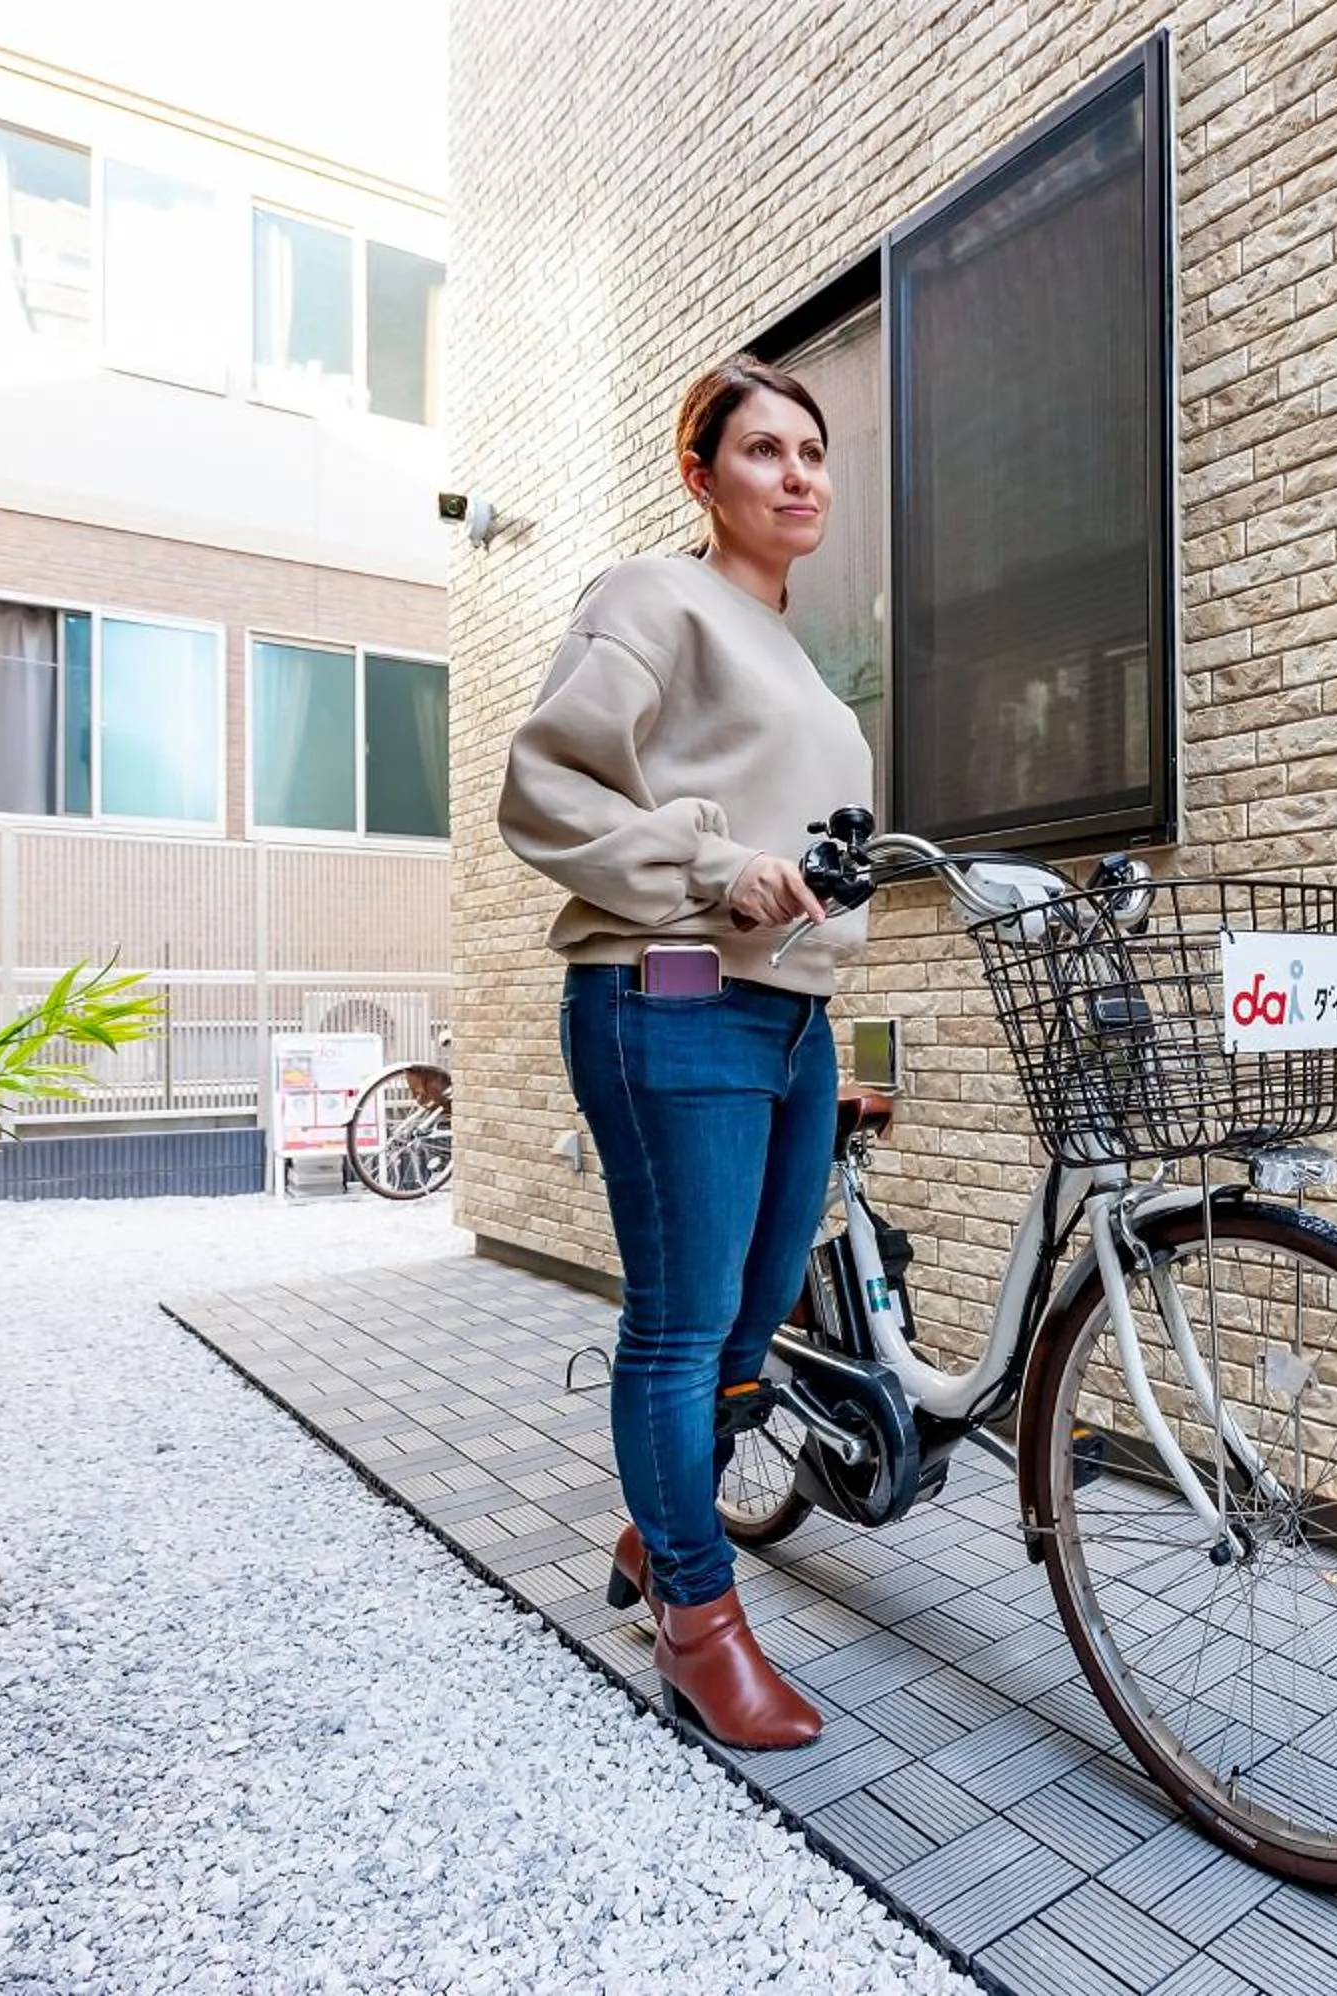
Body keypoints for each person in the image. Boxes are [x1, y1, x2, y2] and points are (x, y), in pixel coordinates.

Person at [497, 354, 867, 1749]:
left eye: (813, 453)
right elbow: (543, 785)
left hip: (789, 1014)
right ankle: (701, 1628)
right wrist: (713, 867)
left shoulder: (803, 667)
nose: (797, 474)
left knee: (757, 1305)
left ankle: (660, 1527)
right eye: (764, 450)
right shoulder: (651, 598)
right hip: (672, 992)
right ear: (700, 474)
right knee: (680, 1316)